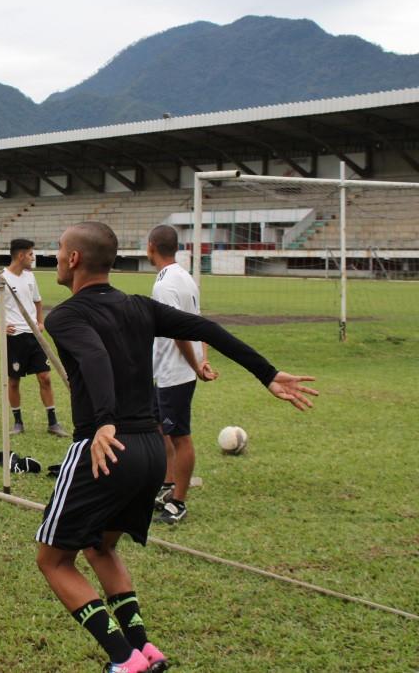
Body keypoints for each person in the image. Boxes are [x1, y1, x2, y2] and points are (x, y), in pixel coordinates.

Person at [36, 222, 317, 672]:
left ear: (73, 260)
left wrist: (105, 422)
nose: (54, 256)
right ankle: (146, 650)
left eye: (58, 249)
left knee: (53, 560)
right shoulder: (141, 307)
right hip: (151, 450)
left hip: (105, 447)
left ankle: (123, 660)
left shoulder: (65, 315)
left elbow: (93, 358)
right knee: (102, 549)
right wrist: (267, 373)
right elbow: (206, 328)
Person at [146, 225, 218, 525]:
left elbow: (179, 332)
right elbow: (198, 324)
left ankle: (179, 501)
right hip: (167, 370)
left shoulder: (166, 285)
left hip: (176, 372)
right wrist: (203, 359)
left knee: (180, 436)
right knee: (160, 428)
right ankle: (167, 482)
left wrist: (194, 365)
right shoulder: (184, 277)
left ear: (151, 247)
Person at [0, 238, 68, 438]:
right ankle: (18, 422)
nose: (33, 258)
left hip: (34, 336)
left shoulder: (30, 277)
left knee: (45, 377)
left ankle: (53, 422)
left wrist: (40, 322)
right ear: (20, 255)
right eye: (30, 254)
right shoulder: (0, 279)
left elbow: (38, 300)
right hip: (14, 338)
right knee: (14, 381)